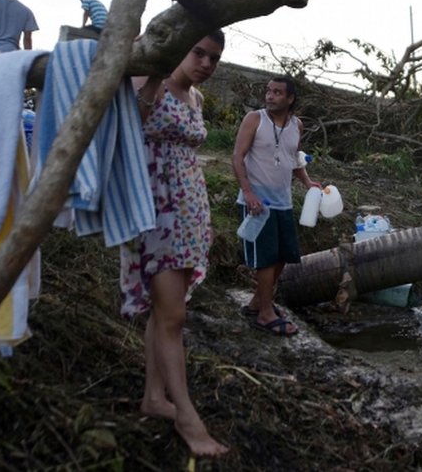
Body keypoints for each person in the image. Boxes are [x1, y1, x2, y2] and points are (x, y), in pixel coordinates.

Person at [122, 31, 229, 456]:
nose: (205, 63)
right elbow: (134, 119)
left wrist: (205, 222)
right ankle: (187, 418)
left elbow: (188, 159)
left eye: (214, 58)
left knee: (164, 311)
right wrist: (153, 74)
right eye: (198, 53)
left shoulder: (196, 100)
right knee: (174, 317)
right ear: (180, 49)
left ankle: (154, 397)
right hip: (155, 214)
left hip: (189, 213)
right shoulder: (148, 81)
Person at [232, 75, 320, 336]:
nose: (270, 96)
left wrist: (307, 182)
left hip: (283, 202)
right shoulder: (254, 119)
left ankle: (257, 303)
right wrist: (248, 193)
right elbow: (237, 157)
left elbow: (294, 158)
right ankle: (266, 314)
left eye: (277, 92)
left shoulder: (297, 125)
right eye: (268, 91)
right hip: (258, 203)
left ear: (290, 98)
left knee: (283, 255)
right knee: (266, 258)